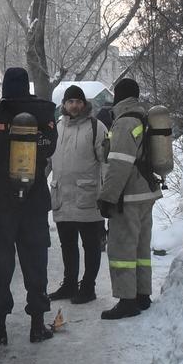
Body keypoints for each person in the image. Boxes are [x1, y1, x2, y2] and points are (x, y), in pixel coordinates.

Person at [0, 66, 58, 345]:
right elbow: (50, 149)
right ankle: (37, 325)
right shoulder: (44, 117)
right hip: (34, 200)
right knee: (35, 262)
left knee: (0, 263)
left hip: (0, 203)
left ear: (4, 88)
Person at [98, 77, 160, 320]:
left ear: (118, 96)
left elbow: (119, 165)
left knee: (123, 248)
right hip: (146, 193)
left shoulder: (124, 122)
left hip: (129, 196)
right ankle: (142, 295)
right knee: (141, 248)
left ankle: (127, 301)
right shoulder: (142, 117)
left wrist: (108, 197)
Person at [49, 85, 107, 304]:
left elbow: (106, 162)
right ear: (64, 105)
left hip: (88, 197)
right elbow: (48, 160)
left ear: (84, 104)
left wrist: (106, 192)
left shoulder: (96, 127)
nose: (74, 105)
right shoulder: (57, 127)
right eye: (70, 101)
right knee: (67, 245)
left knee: (91, 246)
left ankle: (88, 287)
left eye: (78, 101)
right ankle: (69, 284)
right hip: (62, 196)